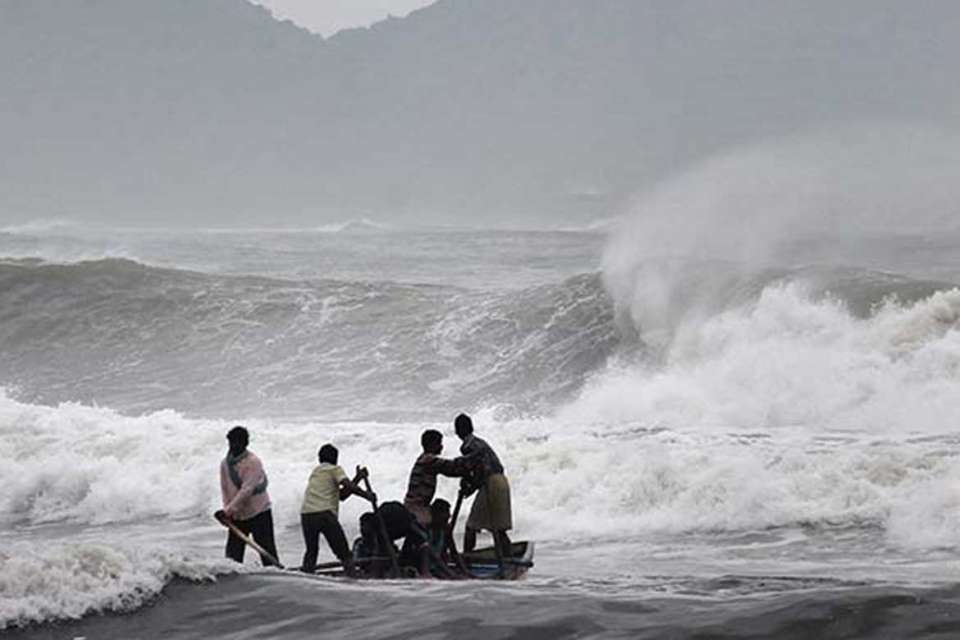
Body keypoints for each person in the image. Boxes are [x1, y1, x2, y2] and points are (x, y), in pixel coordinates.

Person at [300, 443, 375, 575]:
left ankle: (306, 577)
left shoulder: (316, 472)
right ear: (335, 459)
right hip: (325, 514)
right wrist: (366, 495)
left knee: (311, 552)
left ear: (319, 459)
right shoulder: (335, 469)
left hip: (307, 514)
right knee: (344, 553)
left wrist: (357, 478)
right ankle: (353, 580)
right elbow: (347, 485)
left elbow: (342, 496)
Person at [217, 425, 280, 567]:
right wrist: (228, 512)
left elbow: (247, 490)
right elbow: (225, 489)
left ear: (246, 444)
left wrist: (227, 511)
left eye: (237, 443)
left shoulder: (253, 462)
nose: (234, 446)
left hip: (259, 512)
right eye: (231, 442)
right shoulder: (225, 464)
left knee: (268, 554)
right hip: (237, 515)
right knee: (232, 558)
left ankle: (276, 578)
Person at [455, 413, 512, 560]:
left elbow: (480, 471)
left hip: (490, 483)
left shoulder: (468, 446)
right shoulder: (480, 442)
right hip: (501, 482)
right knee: (497, 528)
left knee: (471, 525)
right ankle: (509, 556)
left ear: (457, 431)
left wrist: (470, 488)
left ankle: (467, 558)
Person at [403, 429, 469, 527]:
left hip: (416, 505)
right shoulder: (429, 460)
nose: (441, 446)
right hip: (417, 508)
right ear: (432, 445)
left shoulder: (423, 458)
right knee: (440, 522)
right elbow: (452, 468)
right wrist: (470, 461)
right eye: (439, 443)